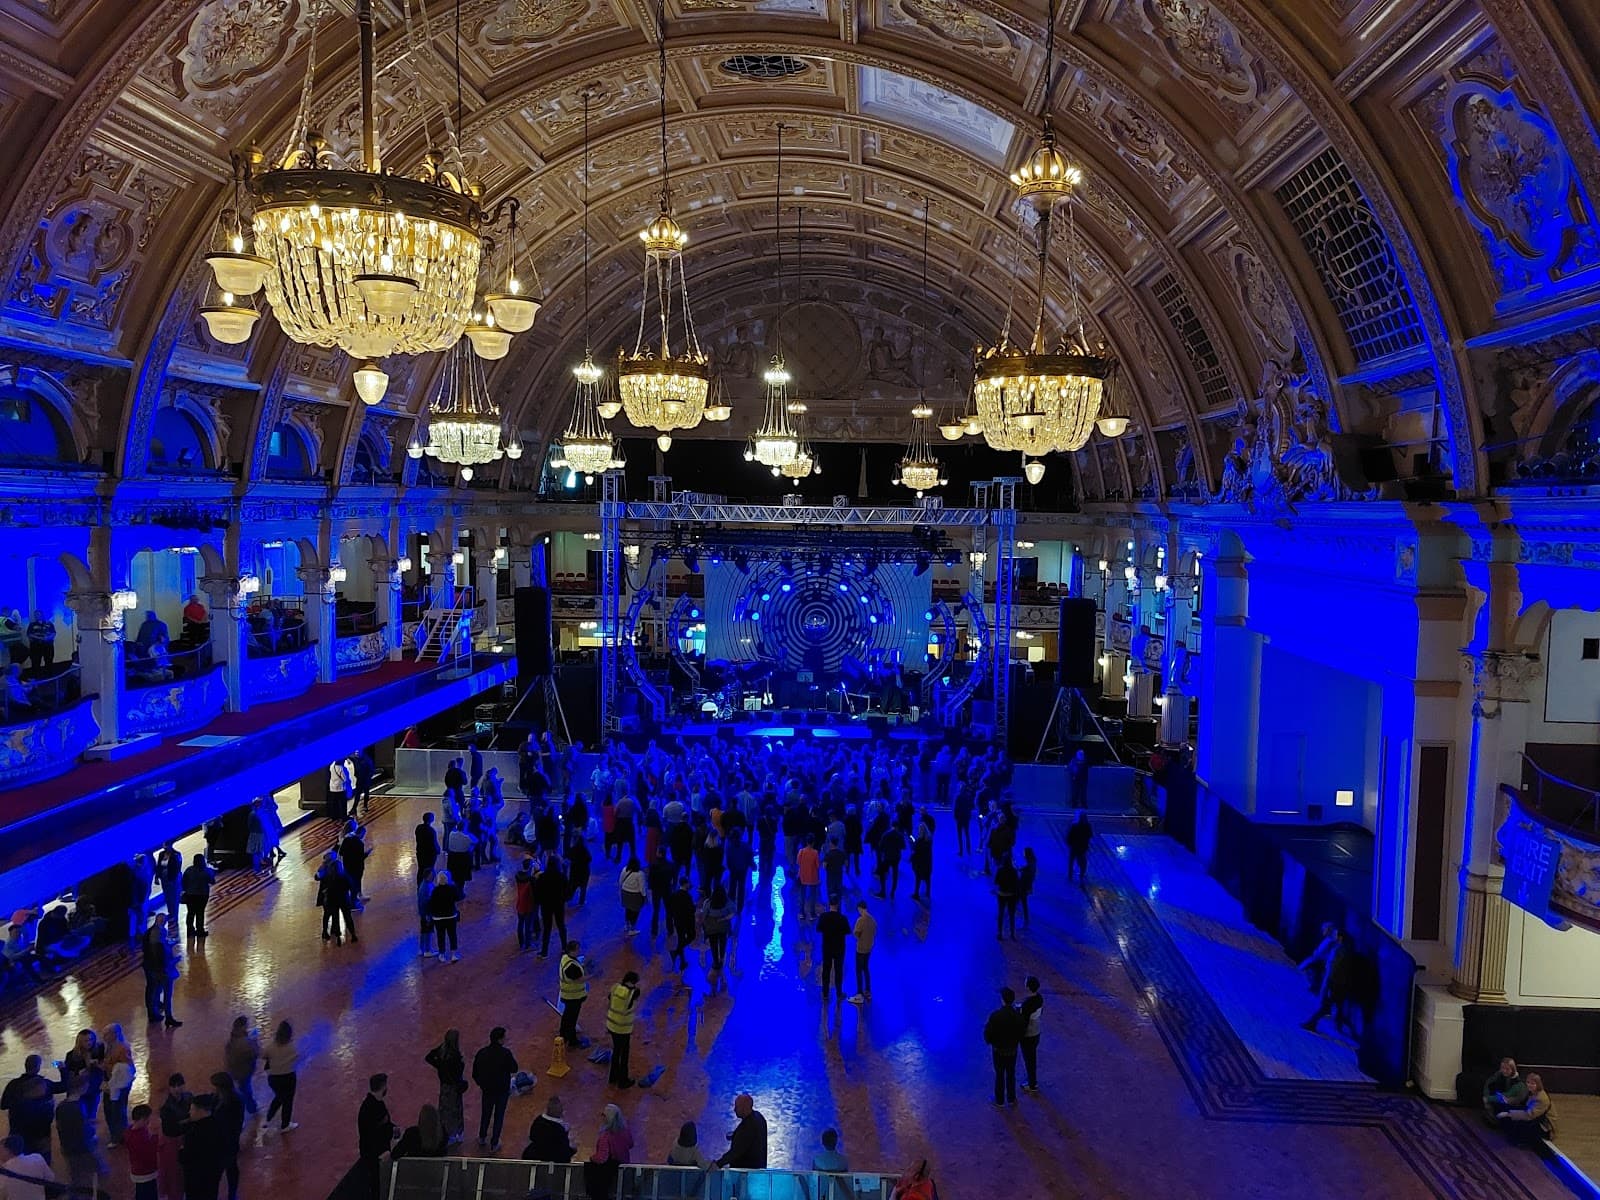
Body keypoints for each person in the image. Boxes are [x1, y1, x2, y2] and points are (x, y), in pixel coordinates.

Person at [55, 1075, 107, 1197]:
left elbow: (61, 1125)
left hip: (67, 1146)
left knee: (75, 1175)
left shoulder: (61, 1106)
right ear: (82, 1088)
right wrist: (92, 1131)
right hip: (82, 1146)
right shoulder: (79, 1106)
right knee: (93, 1174)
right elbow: (83, 1129)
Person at [1301, 927, 1358, 1038]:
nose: (1334, 937)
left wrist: (1330, 984)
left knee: (1326, 1006)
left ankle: (1312, 1023)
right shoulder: (1341, 949)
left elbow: (1335, 969)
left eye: (1336, 935)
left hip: (1334, 983)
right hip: (1336, 983)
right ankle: (1337, 1027)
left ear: (1340, 938)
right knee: (1336, 1005)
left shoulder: (1341, 951)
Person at [1, 1058, 58, 1163]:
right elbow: (63, 1086)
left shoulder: (13, 1084)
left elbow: (3, 1105)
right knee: (42, 1163)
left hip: (17, 1135)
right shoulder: (44, 1087)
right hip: (39, 1139)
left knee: (18, 1163)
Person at [472, 1027, 518, 1152]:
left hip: (487, 1090)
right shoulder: (506, 1053)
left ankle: (482, 1137)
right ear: (500, 1039)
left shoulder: (482, 1053)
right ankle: (494, 1143)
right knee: (499, 1116)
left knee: (485, 1114)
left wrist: (482, 1084)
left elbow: (475, 1073)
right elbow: (514, 1068)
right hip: (502, 1090)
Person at [983, 986, 1026, 1107]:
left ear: (1002, 999)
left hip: (998, 1050)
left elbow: (988, 1034)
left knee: (999, 1074)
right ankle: (1011, 1098)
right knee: (1011, 1074)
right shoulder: (1018, 1016)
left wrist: (992, 1042)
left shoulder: (996, 1016)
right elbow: (1022, 1032)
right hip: (1012, 1050)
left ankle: (999, 1100)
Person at [356, 1074, 396, 1200]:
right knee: (377, 1186)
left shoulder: (375, 1105)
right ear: (383, 1087)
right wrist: (383, 1152)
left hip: (375, 1153)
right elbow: (371, 1135)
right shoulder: (372, 1109)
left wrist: (393, 1128)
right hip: (375, 1156)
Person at [425, 1029, 467, 1147]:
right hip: (454, 1088)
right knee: (456, 1110)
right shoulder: (456, 1057)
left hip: (444, 1087)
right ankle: (456, 1133)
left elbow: (429, 1057)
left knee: (445, 1110)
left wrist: (439, 1066)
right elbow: (459, 1073)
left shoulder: (442, 1053)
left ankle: (447, 1133)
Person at [584, 1104, 633, 1200]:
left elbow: (602, 1158)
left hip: (608, 1174)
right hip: (624, 1170)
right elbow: (631, 1144)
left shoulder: (605, 1136)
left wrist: (592, 1158)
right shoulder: (625, 1132)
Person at [210, 1072, 246, 1200]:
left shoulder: (234, 1102)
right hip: (220, 1141)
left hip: (227, 1141)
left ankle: (232, 1194)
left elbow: (234, 1124)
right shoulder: (217, 1098)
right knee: (224, 1169)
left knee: (228, 1168)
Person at [263, 1020, 301, 1134]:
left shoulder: (271, 1046)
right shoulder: (292, 1047)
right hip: (288, 1077)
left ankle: (268, 1118)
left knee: (279, 1097)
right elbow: (297, 1057)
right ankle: (285, 1124)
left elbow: (264, 1055)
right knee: (288, 1101)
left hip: (273, 1078)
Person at [1496, 1073, 1554, 1146]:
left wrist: (1508, 1114)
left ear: (1538, 1084)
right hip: (1531, 1113)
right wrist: (1507, 1100)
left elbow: (1530, 1115)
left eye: (1533, 1083)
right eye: (1528, 1082)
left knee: (1513, 1118)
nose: (1529, 1085)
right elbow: (1521, 1101)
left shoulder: (1541, 1098)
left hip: (1542, 1123)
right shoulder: (1531, 1092)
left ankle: (1520, 1141)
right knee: (1506, 1108)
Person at [606, 971, 642, 1089]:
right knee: (624, 1054)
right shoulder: (633, 992)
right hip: (623, 1028)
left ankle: (613, 1077)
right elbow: (636, 994)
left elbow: (610, 998)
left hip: (611, 1024)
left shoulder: (615, 987)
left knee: (616, 1051)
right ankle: (623, 1081)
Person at [103, 1024, 135, 1145]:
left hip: (119, 1086)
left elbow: (127, 1069)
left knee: (117, 1111)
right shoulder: (109, 1047)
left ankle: (119, 1137)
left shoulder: (122, 1049)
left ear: (114, 1034)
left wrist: (106, 1066)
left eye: (106, 1034)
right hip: (111, 1084)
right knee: (110, 1110)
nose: (104, 1037)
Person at [225, 1015, 261, 1120]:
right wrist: (254, 1041)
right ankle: (251, 1108)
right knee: (246, 1090)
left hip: (234, 1069)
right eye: (246, 1025)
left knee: (242, 1088)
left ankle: (249, 1106)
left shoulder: (233, 1038)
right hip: (243, 1071)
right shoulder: (245, 1043)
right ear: (242, 1026)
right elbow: (256, 1053)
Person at [716, 1094, 767, 1169]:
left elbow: (736, 1151)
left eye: (737, 1107)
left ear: (744, 1107)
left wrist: (718, 1164)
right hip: (757, 1169)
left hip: (745, 1171)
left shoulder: (749, 1125)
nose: (734, 1110)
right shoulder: (759, 1117)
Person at [522, 1095, 576, 1162]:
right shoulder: (555, 1130)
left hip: (537, 1158)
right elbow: (560, 1152)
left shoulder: (539, 1121)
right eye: (561, 1107)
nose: (563, 1109)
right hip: (548, 1162)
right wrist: (571, 1151)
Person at [817, 899, 850, 1006]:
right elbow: (848, 931)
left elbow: (818, 929)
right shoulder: (843, 918)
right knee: (838, 970)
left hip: (827, 948)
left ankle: (825, 994)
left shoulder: (824, 917)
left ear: (829, 905)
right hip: (839, 949)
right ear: (838, 905)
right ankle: (839, 993)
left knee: (826, 970)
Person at [124, 1104, 160, 1200]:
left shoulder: (129, 1131)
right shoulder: (139, 1138)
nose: (149, 1121)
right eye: (147, 1119)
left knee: (140, 1192)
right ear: (143, 1119)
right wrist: (156, 1138)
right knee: (149, 1194)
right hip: (145, 1171)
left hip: (137, 1169)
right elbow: (149, 1153)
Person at [558, 941, 589, 1047]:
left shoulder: (565, 958)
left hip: (567, 995)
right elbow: (579, 979)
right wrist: (592, 975)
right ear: (573, 951)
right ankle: (572, 1041)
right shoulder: (571, 966)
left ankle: (563, 1035)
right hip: (574, 996)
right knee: (572, 1019)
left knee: (566, 1017)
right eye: (578, 949)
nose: (579, 951)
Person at [427, 870, 462, 962]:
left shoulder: (435, 891)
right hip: (451, 916)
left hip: (438, 918)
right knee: (452, 935)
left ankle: (442, 954)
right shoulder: (452, 888)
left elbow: (431, 904)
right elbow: (458, 897)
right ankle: (453, 954)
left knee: (440, 936)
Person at [181, 852, 215, 939]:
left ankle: (190, 931)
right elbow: (212, 881)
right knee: (200, 913)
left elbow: (183, 882)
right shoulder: (206, 871)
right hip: (202, 895)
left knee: (190, 913)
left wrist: (186, 890)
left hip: (190, 895)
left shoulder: (189, 870)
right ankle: (200, 931)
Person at [701, 884, 734, 973]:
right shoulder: (728, 902)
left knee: (713, 945)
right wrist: (724, 918)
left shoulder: (708, 903)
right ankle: (722, 959)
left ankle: (716, 962)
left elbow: (704, 916)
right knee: (723, 943)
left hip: (711, 928)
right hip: (723, 927)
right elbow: (733, 912)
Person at [1019, 976, 1044, 1092]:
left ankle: (1032, 1084)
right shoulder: (1039, 998)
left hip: (1028, 1035)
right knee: (1032, 1058)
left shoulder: (1027, 1004)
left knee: (1029, 1059)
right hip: (1036, 1031)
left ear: (1028, 987)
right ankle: (1032, 1081)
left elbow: (1024, 1022)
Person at [849, 901, 876, 1005]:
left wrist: (858, 935)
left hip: (860, 949)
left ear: (860, 908)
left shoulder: (860, 920)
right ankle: (868, 992)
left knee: (858, 971)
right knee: (866, 968)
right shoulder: (873, 920)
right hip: (869, 949)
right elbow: (874, 933)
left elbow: (856, 933)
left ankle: (859, 994)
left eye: (858, 910)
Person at [994, 856, 1020, 940]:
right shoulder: (1014, 871)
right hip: (1011, 895)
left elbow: (996, 882)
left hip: (1001, 894)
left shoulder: (1000, 870)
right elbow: (1017, 883)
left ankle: (1000, 933)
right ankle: (1012, 934)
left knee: (1001, 913)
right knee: (1011, 914)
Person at [796, 835, 821, 921]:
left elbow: (798, 862)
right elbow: (818, 865)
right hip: (813, 878)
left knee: (802, 895)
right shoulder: (815, 853)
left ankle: (801, 913)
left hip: (802, 877)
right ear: (813, 843)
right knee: (812, 895)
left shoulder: (801, 851)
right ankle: (812, 914)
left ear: (807, 842)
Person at [1066, 810, 1092, 884]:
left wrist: (1070, 843)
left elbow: (1069, 836)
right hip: (1082, 847)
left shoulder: (1075, 826)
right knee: (1082, 863)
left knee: (1072, 861)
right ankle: (1081, 875)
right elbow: (1090, 835)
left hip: (1075, 846)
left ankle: (1070, 875)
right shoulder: (1087, 826)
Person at [415, 811, 441, 880]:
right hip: (429, 854)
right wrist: (438, 850)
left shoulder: (418, 827)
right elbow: (434, 843)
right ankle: (428, 883)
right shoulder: (431, 830)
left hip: (420, 852)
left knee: (421, 869)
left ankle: (420, 883)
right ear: (431, 820)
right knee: (429, 870)